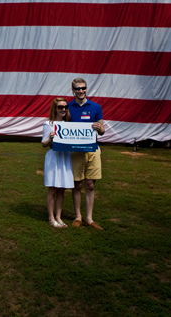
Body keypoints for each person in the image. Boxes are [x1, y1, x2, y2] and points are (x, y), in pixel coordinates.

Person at [67, 77, 106, 230]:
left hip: (93, 150)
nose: (81, 91)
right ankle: (78, 216)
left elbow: (102, 131)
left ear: (86, 89)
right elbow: (62, 128)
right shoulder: (68, 107)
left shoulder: (96, 107)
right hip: (76, 151)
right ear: (73, 90)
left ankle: (89, 219)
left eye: (83, 88)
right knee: (77, 184)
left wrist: (99, 128)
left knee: (90, 184)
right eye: (78, 88)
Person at [42, 98, 73, 228]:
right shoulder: (48, 124)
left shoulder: (70, 124)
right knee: (53, 188)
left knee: (62, 189)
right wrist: (50, 138)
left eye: (65, 107)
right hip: (54, 156)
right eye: (60, 107)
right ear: (55, 108)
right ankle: (51, 218)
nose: (63, 110)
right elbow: (43, 143)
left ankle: (59, 217)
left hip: (65, 157)